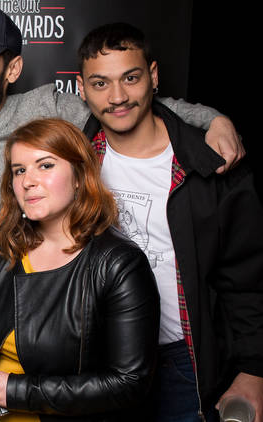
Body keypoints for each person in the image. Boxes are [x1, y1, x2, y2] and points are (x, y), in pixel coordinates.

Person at [0, 7, 242, 419]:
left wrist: (211, 118)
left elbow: (123, 101)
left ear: (13, 68)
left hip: (52, 339)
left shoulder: (49, 108)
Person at [76, 23, 263, 422]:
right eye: (100, 83)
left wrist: (253, 369)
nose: (118, 97)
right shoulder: (72, 162)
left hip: (183, 359)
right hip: (96, 360)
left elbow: (246, 276)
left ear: (154, 76)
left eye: (131, 77)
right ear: (81, 88)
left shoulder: (210, 164)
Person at [0, 118, 159, 422]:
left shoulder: (119, 264)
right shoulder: (5, 243)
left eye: (45, 165)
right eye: (19, 170)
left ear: (78, 176)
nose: (28, 181)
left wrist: (21, 392)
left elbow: (130, 382)